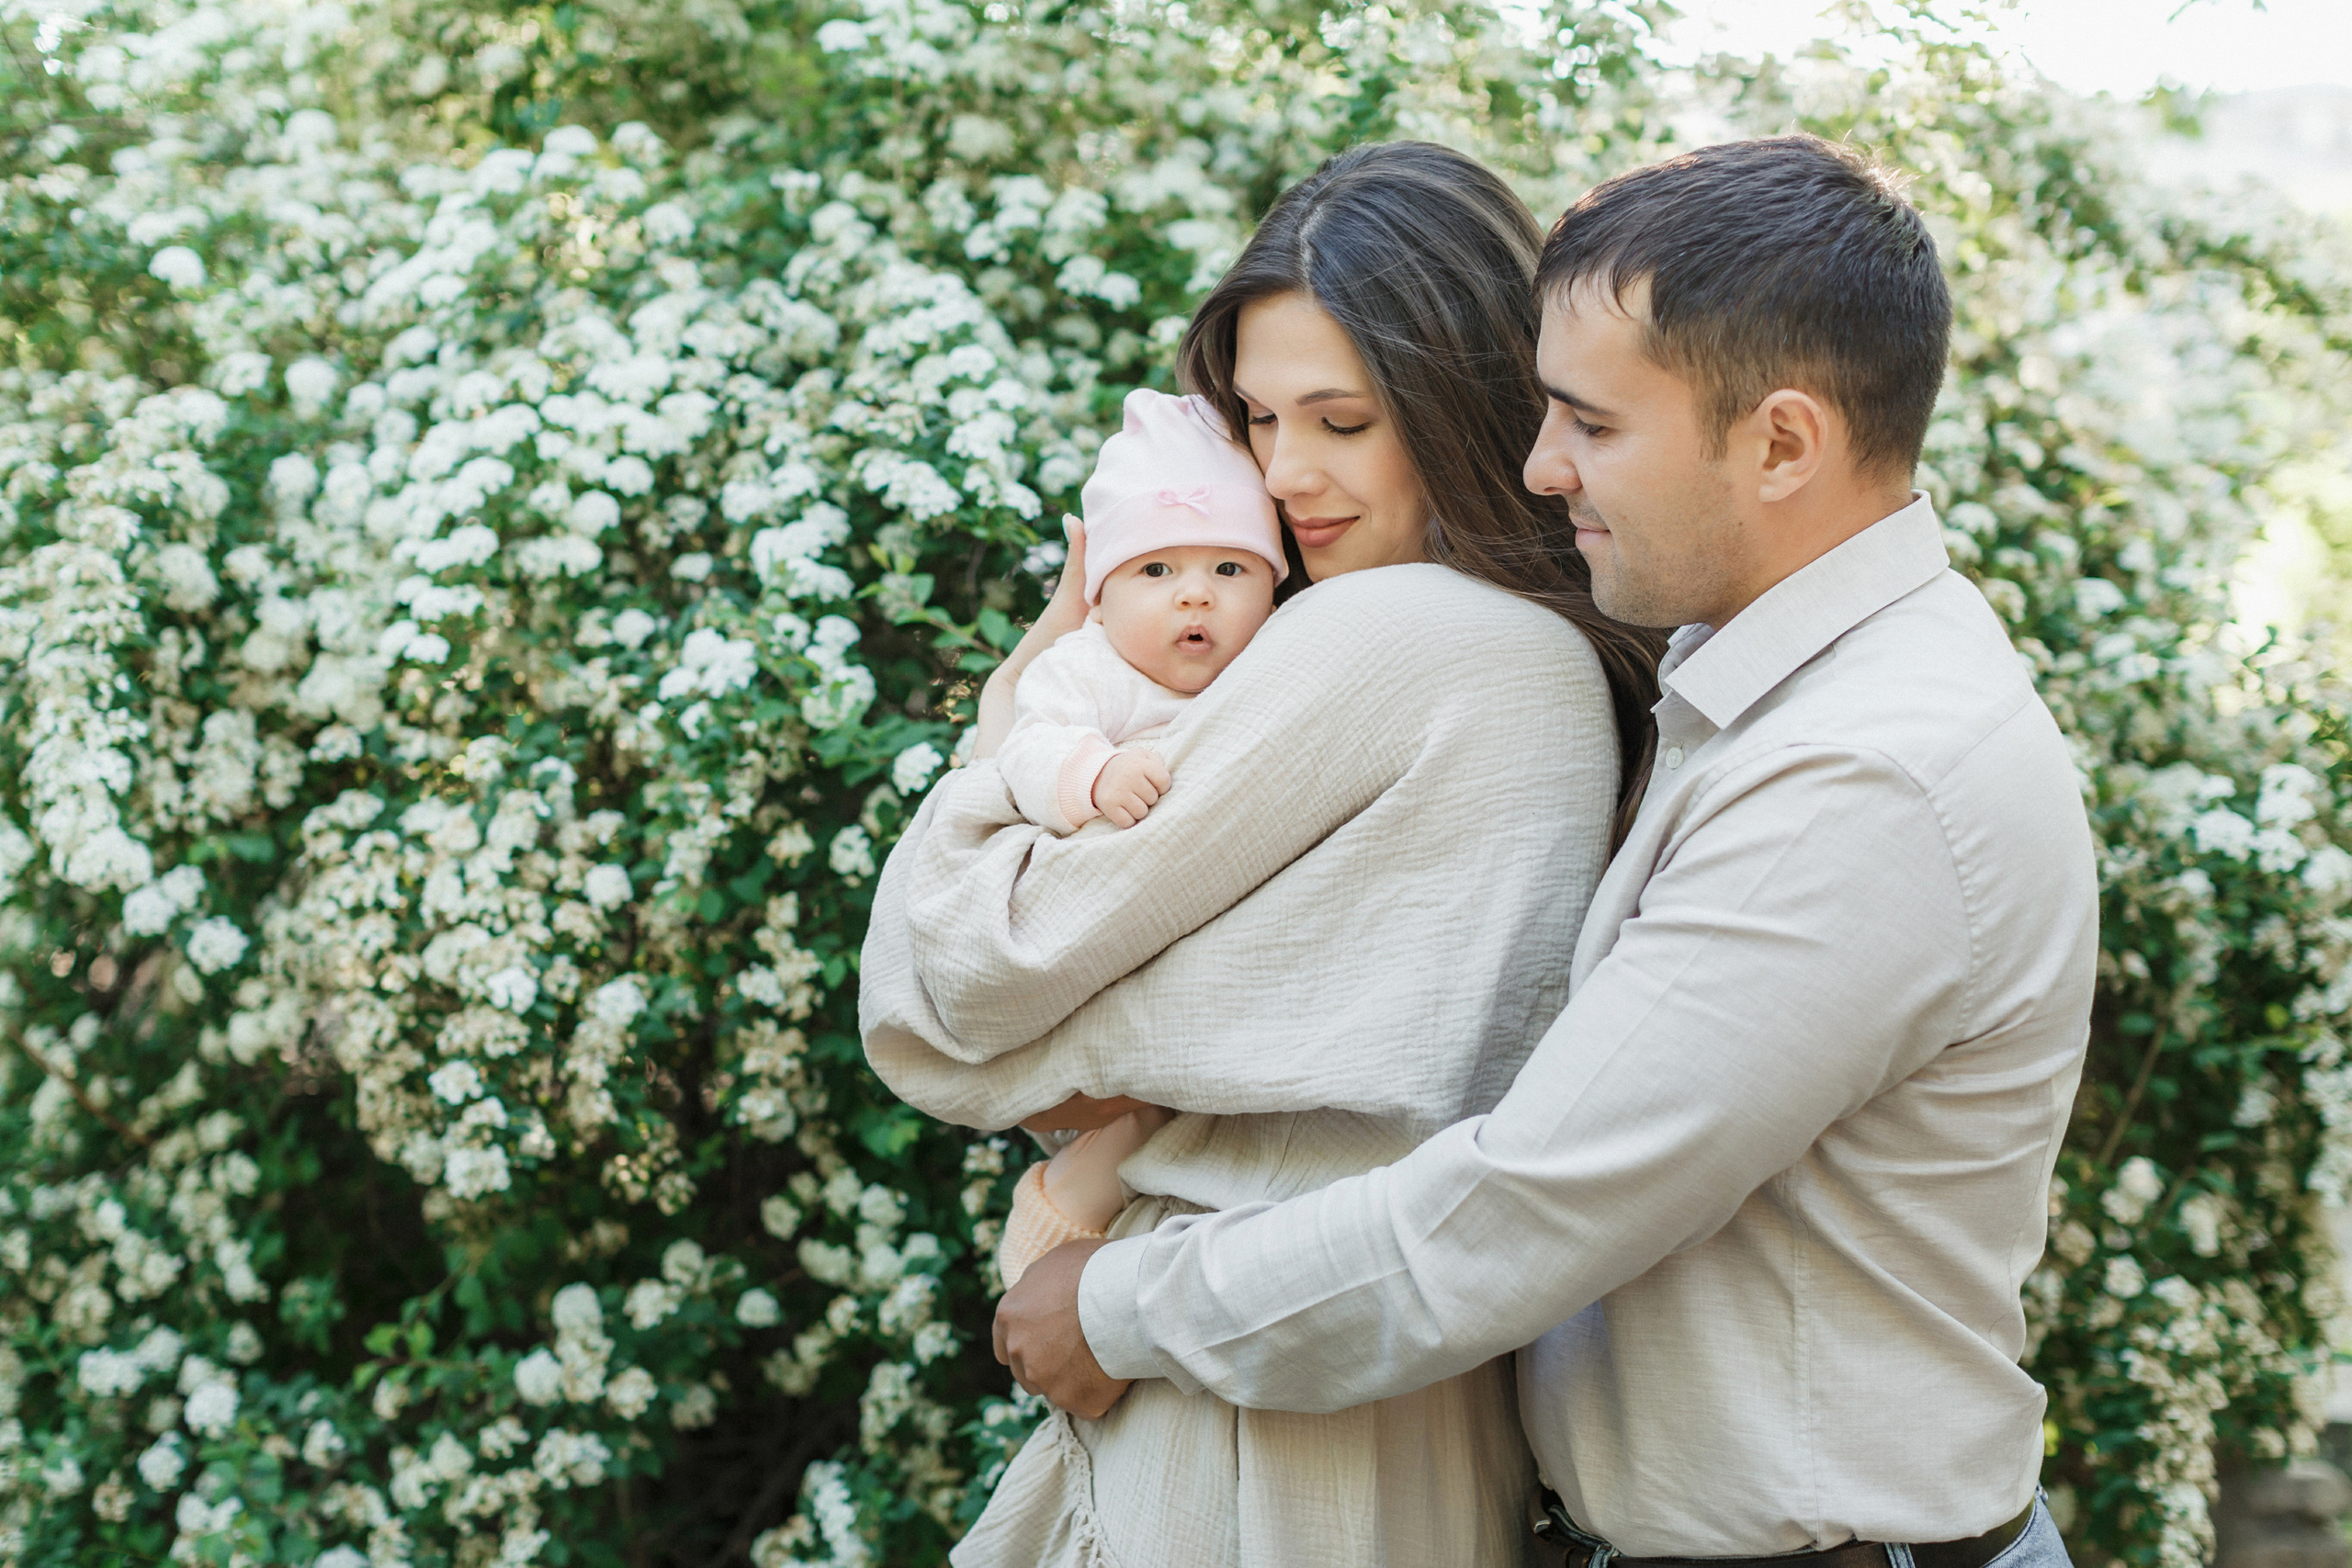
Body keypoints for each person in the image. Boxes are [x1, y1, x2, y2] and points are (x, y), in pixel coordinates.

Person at [991, 135, 2099, 1568]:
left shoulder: (1863, 769)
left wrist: (1119, 1306)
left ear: (1781, 441)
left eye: (1591, 422)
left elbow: (1520, 1210)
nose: (1536, 463)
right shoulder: (1764, 683)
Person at [860, 141, 1662, 1567]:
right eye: (1255, 417)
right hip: (1371, 1389)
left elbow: (963, 978)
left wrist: (1024, 693)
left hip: (1243, 1414)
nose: (1285, 475)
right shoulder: (1552, 666)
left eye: (1343, 421)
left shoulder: (1390, 637)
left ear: (1467, 405)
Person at [991, 388, 1289, 1289]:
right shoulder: (1091, 669)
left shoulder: (1273, 666)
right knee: (1127, 1119)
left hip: (1199, 959)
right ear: (1101, 592)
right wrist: (1090, 773)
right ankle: (1069, 1202)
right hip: (1100, 956)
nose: (1195, 592)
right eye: (1156, 571)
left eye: (1230, 571)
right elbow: (1024, 747)